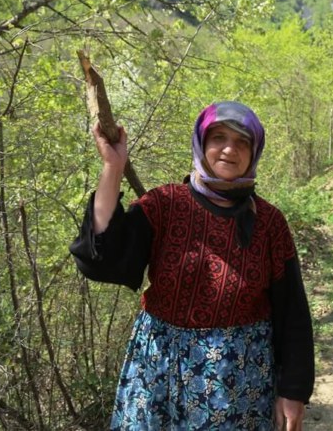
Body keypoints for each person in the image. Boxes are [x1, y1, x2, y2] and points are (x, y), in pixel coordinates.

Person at [70, 101, 314, 430]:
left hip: (237, 386)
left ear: (255, 151)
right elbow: (103, 259)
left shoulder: (269, 223)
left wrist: (293, 391)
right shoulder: (164, 205)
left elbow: (293, 313)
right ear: (201, 142)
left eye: (243, 141)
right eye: (219, 138)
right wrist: (113, 167)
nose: (230, 149)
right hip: (156, 376)